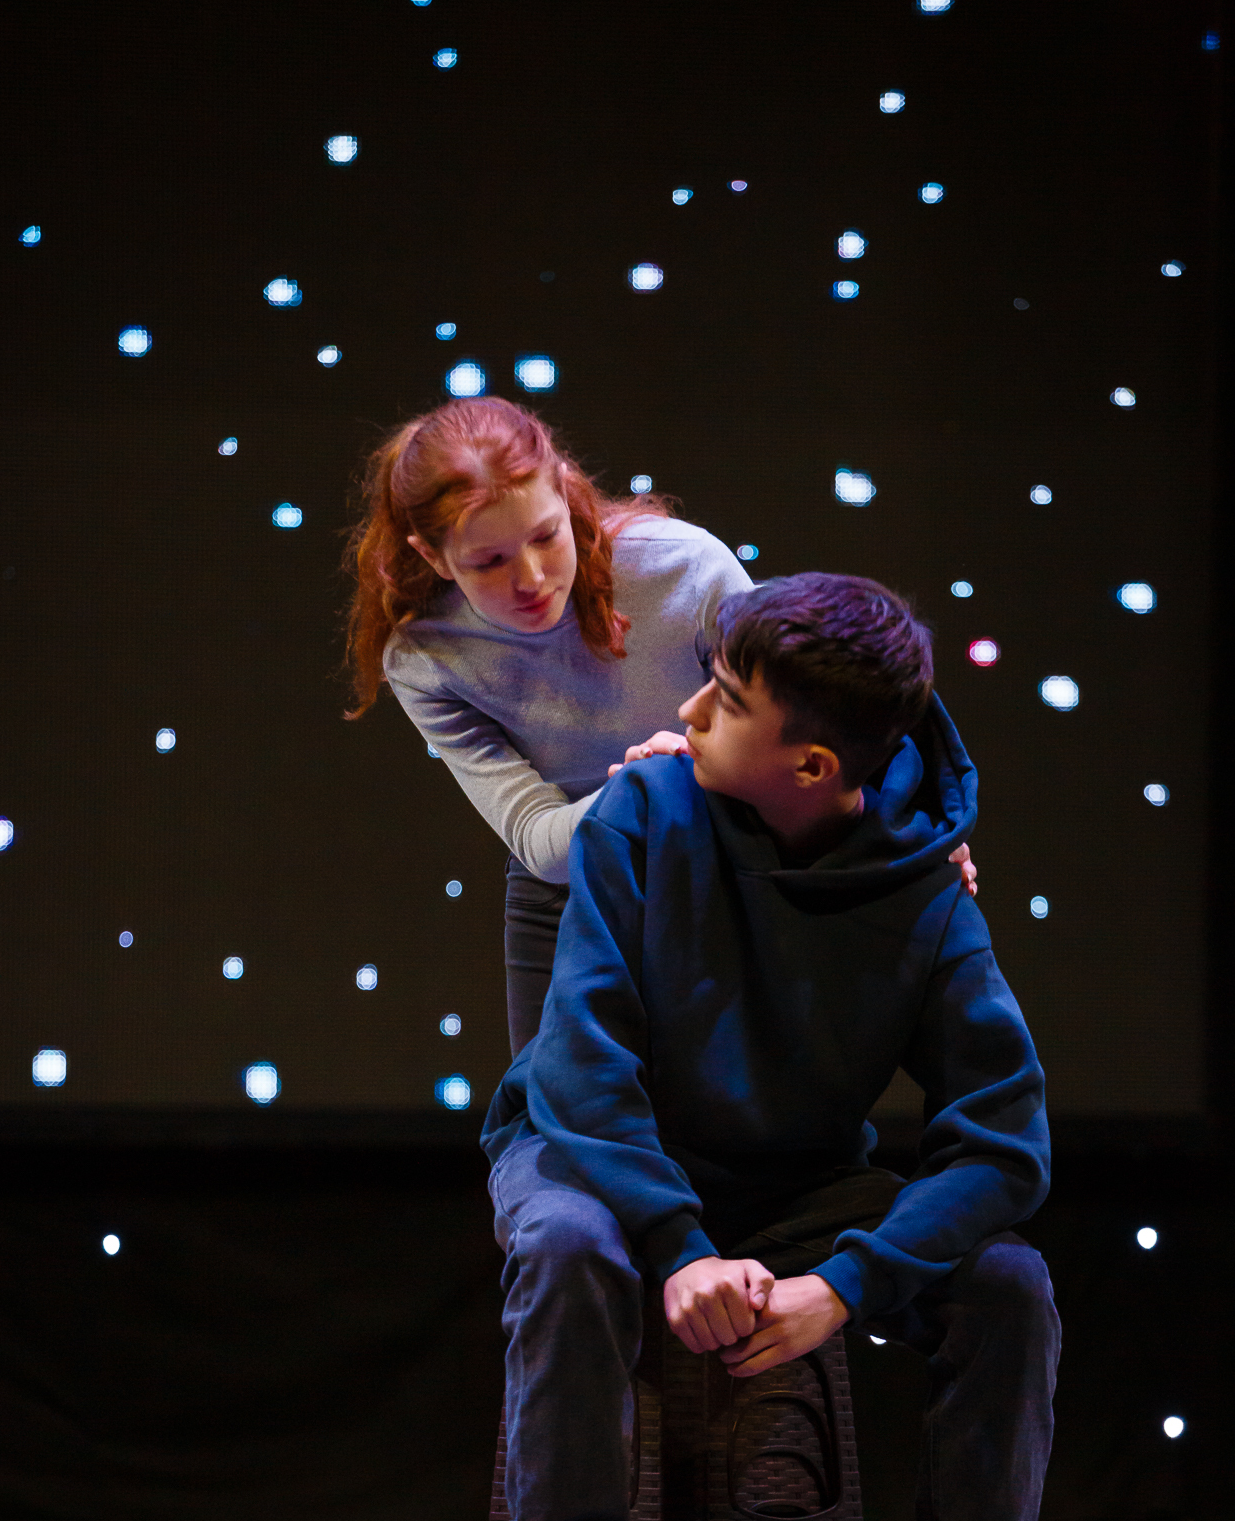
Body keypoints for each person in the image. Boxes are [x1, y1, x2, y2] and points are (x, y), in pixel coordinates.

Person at [475, 572, 1079, 1521]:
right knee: (571, 1250)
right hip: (597, 1154)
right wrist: (678, 1245)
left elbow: (1001, 1142)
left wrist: (846, 1285)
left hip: (798, 1182)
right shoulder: (641, 812)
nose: (686, 712)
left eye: (724, 699)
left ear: (809, 765)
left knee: (1007, 1287)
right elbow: (581, 1066)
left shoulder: (922, 884)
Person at [343, 397, 975, 1054]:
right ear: (434, 556)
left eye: (545, 537)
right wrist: (648, 787)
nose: (530, 578)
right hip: (573, 893)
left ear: (564, 491)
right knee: (550, 1115)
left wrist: (910, 832)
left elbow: (816, 719)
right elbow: (539, 841)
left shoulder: (683, 567)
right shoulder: (426, 658)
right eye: (489, 562)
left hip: (729, 861)